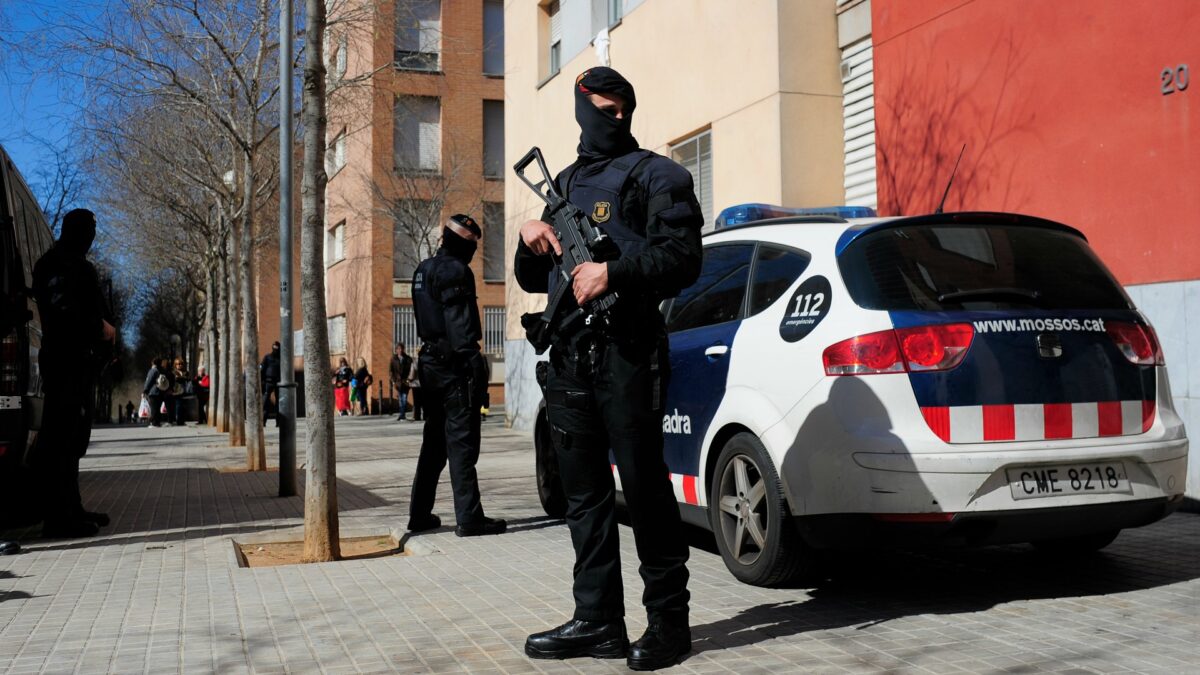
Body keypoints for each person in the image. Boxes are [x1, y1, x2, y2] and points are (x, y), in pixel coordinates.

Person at [515, 68, 703, 670]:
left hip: (629, 353)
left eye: (623, 108)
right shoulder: (562, 185)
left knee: (645, 490)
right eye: (602, 107)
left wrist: (613, 273)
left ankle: (670, 624)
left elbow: (684, 257)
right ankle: (597, 621)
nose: (614, 117)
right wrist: (529, 238)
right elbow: (529, 280)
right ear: (580, 107)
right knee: (586, 498)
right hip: (570, 359)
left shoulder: (658, 174)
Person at [407, 214, 506, 538]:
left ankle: (419, 514)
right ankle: (469, 518)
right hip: (453, 368)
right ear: (465, 243)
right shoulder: (455, 271)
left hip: (430, 365)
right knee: (462, 445)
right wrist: (472, 367)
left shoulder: (423, 270)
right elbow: (460, 326)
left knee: (433, 443)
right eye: (472, 244)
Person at [30, 208, 116, 538]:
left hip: (79, 362)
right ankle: (59, 517)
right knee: (62, 439)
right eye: (89, 231)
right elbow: (63, 310)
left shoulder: (72, 263)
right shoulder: (56, 265)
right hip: (65, 362)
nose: (92, 238)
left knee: (74, 438)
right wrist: (99, 327)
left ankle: (72, 507)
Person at [144, 358, 173, 427]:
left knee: (154, 408)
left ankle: (154, 423)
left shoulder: (153, 370)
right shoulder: (163, 370)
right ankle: (158, 422)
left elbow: (149, 381)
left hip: (153, 392)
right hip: (161, 391)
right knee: (158, 408)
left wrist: (145, 390)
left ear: (153, 363)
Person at [390, 342, 413, 421]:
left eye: (401, 348)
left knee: (404, 398)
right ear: (396, 350)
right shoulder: (393, 359)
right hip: (398, 382)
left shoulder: (408, 359)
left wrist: (409, 379)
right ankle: (402, 414)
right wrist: (393, 380)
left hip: (405, 382)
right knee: (400, 399)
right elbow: (391, 371)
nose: (400, 350)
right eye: (398, 349)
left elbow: (411, 370)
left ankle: (402, 414)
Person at [261, 341, 282, 423]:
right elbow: (262, 368)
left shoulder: (281, 358)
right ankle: (263, 420)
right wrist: (262, 380)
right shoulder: (267, 357)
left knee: (279, 402)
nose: (276, 349)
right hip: (268, 381)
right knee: (265, 401)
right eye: (275, 347)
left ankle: (279, 421)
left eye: (277, 347)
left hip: (278, 382)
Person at [171, 357, 189, 425]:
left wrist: (180, 378)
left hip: (184, 392)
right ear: (175, 365)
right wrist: (182, 378)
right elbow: (176, 380)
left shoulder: (185, 372)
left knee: (184, 407)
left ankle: (182, 421)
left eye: (181, 364)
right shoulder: (173, 372)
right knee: (178, 407)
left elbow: (187, 379)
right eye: (178, 364)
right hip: (176, 392)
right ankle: (178, 421)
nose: (180, 365)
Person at [408, 352, 423, 422]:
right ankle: (425, 415)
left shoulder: (414, 362)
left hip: (415, 384)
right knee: (424, 400)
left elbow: (412, 374)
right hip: (423, 384)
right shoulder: (425, 361)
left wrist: (409, 379)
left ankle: (417, 415)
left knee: (416, 402)